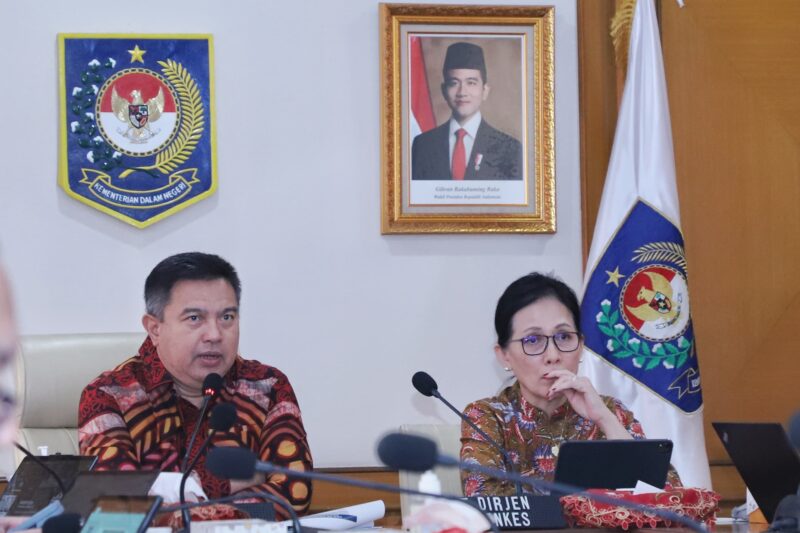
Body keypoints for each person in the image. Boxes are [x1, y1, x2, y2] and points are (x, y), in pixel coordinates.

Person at [78, 252, 313, 518]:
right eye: (194, 319)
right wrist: (235, 485)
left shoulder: (267, 387)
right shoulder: (110, 395)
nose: (214, 335)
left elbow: (294, 495)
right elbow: (117, 508)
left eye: (227, 318)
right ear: (154, 328)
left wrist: (181, 502)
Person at [460, 272, 680, 496]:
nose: (553, 355)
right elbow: (482, 499)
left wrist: (604, 419)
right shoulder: (487, 418)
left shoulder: (612, 412)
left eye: (564, 337)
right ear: (504, 355)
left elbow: (669, 495)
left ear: (581, 345)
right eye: (533, 340)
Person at [412, 41, 523, 180]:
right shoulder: (422, 145)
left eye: (471, 83)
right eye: (454, 83)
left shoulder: (509, 149)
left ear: (484, 91)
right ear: (444, 90)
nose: (462, 92)